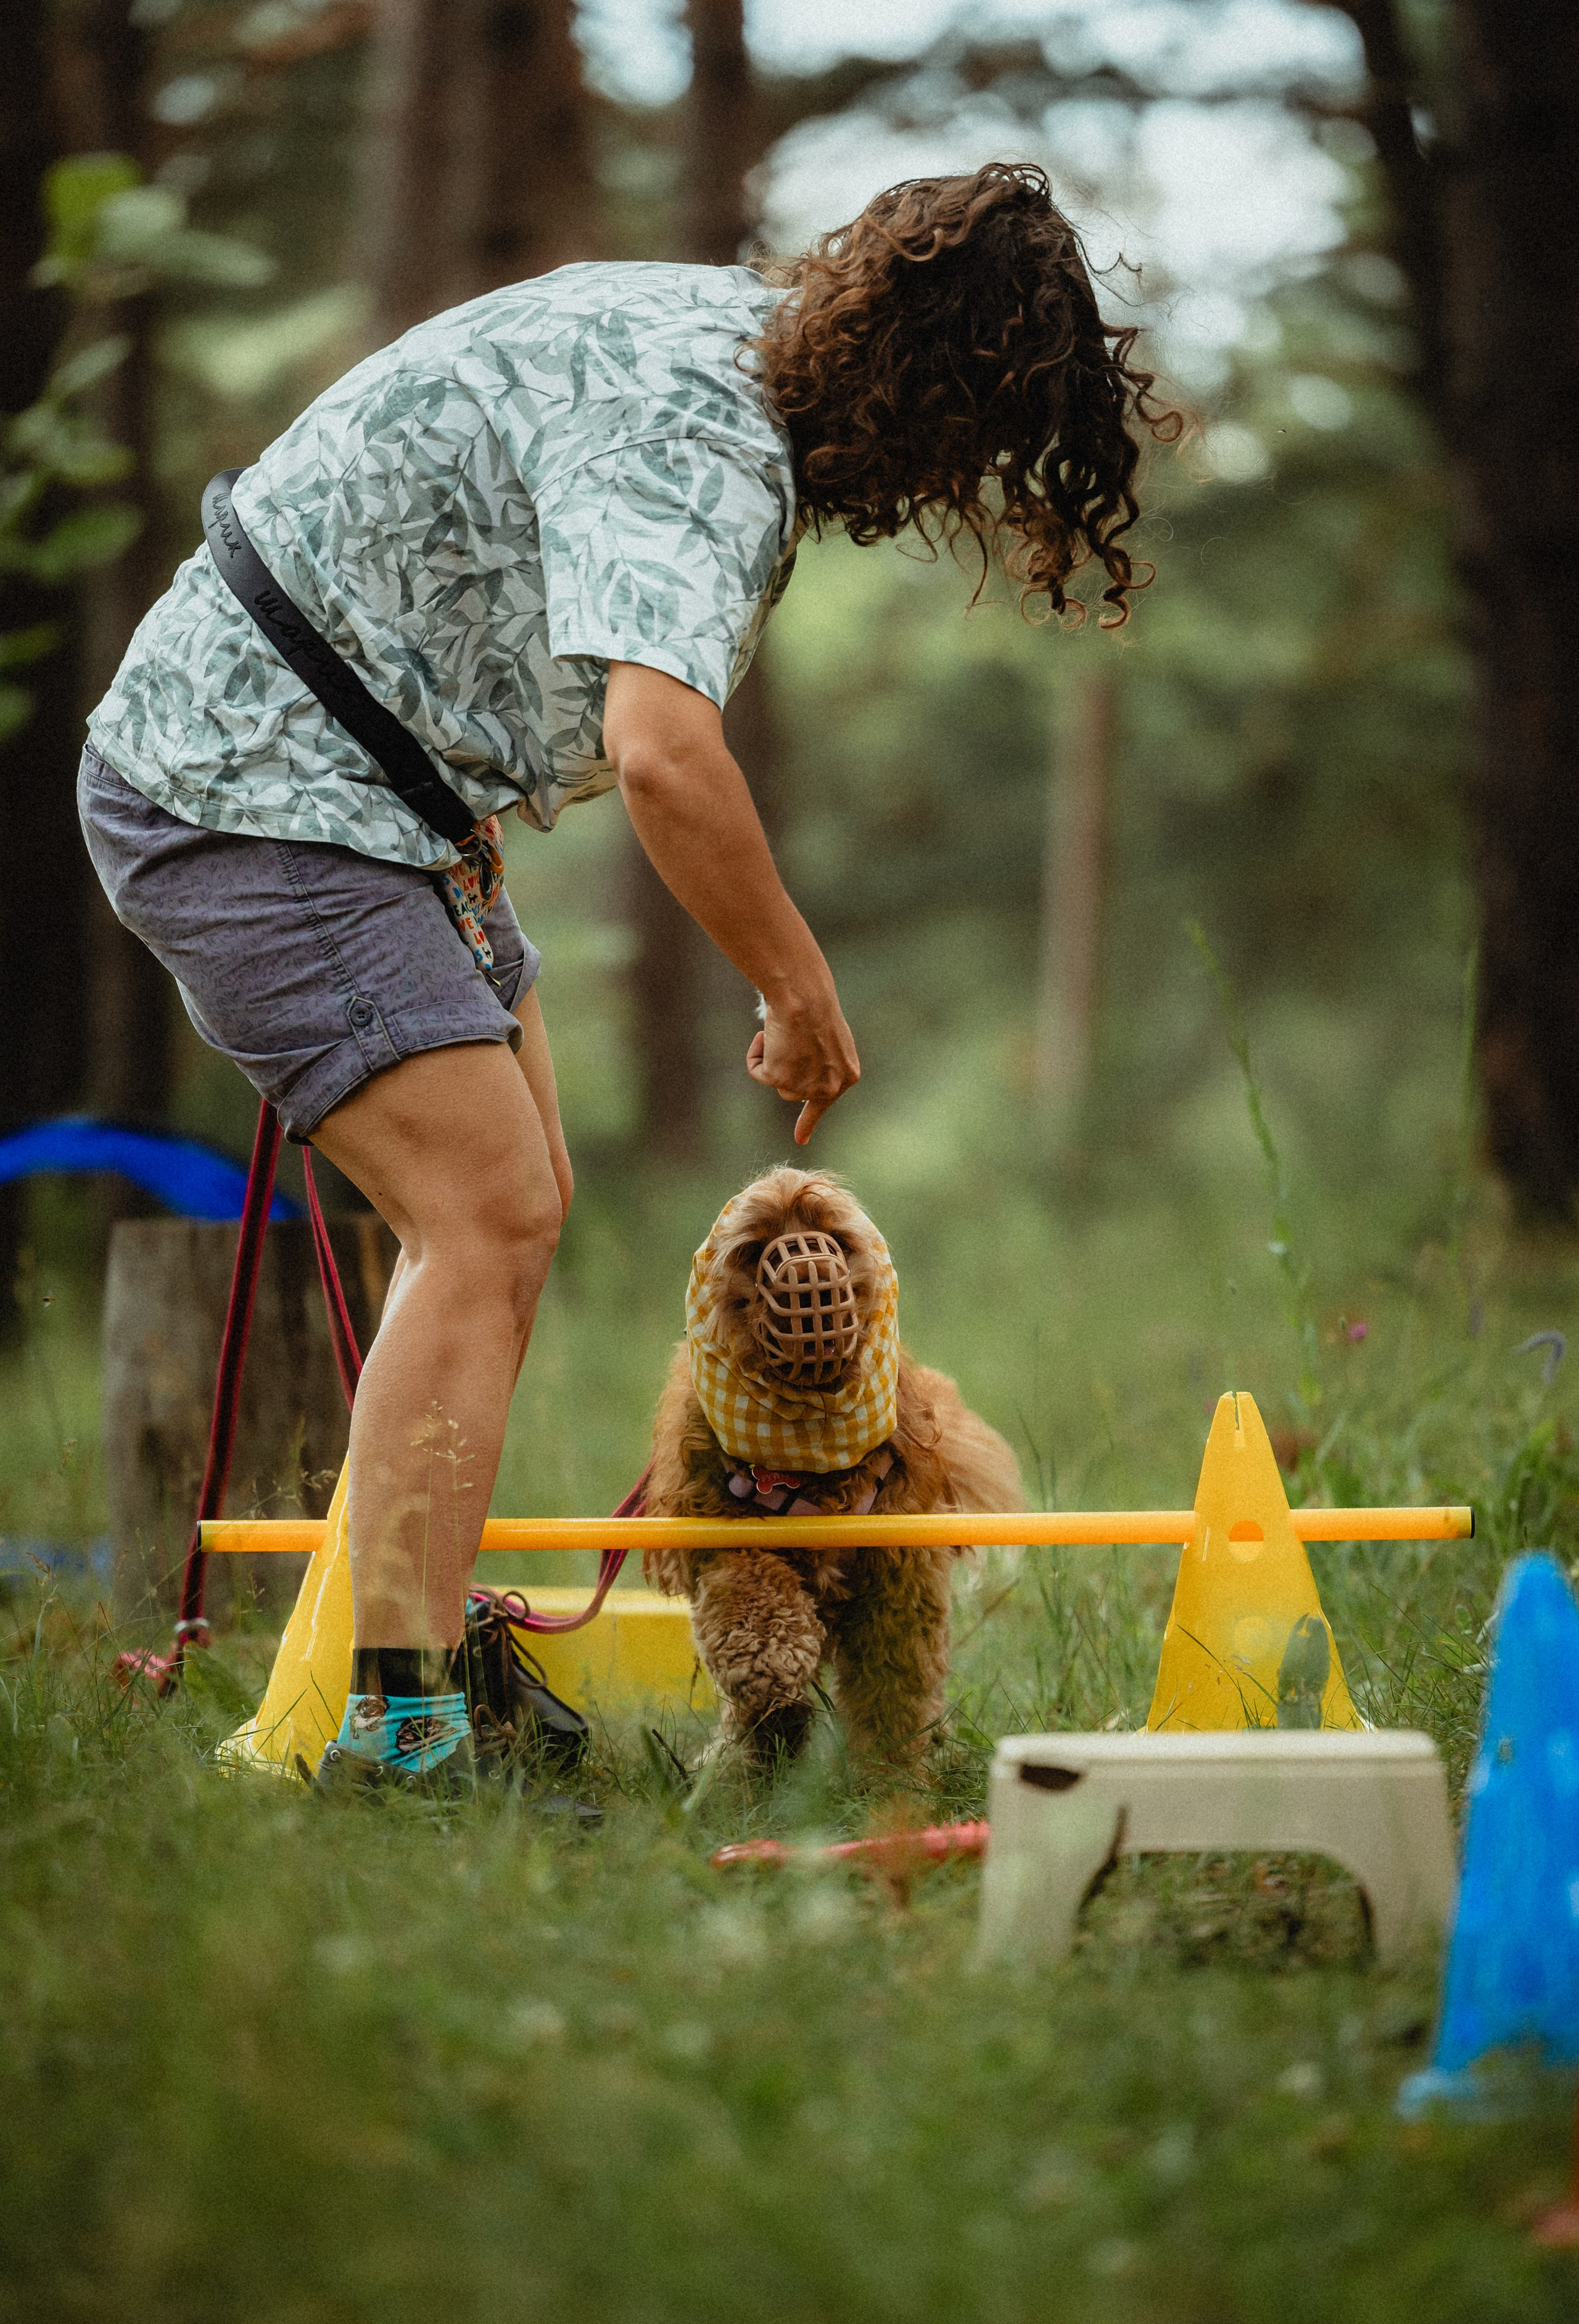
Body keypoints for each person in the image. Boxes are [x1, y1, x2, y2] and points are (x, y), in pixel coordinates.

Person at [79, 161, 1178, 1789]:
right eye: (976, 444)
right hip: (251, 782)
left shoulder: (710, 329)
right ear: (930, 396)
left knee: (515, 1207)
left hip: (385, 800)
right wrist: (797, 987)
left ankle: (412, 1639)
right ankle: (403, 1730)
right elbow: (662, 754)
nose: (955, 485)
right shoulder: (704, 449)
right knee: (487, 1216)